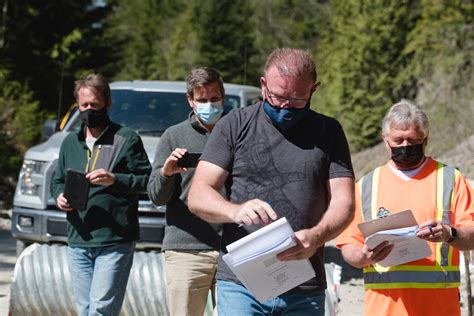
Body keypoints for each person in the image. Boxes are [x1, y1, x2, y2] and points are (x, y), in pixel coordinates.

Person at [187, 48, 355, 315]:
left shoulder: (328, 131)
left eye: (298, 99)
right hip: (241, 286)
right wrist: (235, 210)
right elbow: (198, 195)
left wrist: (316, 236)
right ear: (263, 84)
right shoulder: (234, 124)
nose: (285, 106)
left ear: (314, 90)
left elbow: (344, 202)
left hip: (305, 288)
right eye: (277, 97)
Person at [336, 99, 474, 315]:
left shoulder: (450, 180)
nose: (405, 147)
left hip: (440, 308)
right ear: (385, 140)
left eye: (412, 140)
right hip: (384, 310)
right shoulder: (366, 186)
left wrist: (450, 233)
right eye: (398, 140)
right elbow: (348, 246)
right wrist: (364, 256)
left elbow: (472, 236)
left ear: (425, 140)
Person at [51, 73, 152, 316]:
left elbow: (147, 180)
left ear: (107, 104)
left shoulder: (125, 138)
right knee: (85, 309)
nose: (88, 110)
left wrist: (114, 179)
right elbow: (58, 181)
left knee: (101, 310)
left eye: (94, 105)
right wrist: (59, 197)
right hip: (79, 239)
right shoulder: (69, 143)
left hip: (114, 240)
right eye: (83, 105)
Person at [147, 67, 225, 316]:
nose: (209, 105)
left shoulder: (238, 132)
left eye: (214, 99)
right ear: (190, 100)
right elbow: (156, 197)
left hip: (233, 249)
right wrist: (167, 173)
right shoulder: (173, 136)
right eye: (202, 100)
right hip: (186, 250)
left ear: (223, 97)